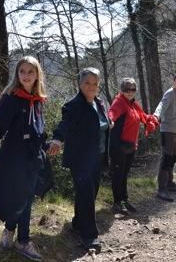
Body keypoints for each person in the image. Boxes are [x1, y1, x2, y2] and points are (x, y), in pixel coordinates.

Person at [0, 56, 56, 261]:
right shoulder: (11, 98)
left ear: (37, 74)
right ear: (17, 74)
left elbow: (37, 131)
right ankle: (22, 240)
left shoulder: (38, 101)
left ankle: (10, 232)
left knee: (26, 198)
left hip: (33, 158)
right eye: (22, 71)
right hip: (14, 158)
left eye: (31, 72)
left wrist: (46, 145)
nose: (26, 76)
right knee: (21, 198)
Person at [51, 68, 109, 251]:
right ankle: (89, 235)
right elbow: (65, 124)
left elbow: (102, 123)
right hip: (81, 159)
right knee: (86, 194)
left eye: (95, 83)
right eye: (87, 83)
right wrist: (58, 138)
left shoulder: (98, 103)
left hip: (97, 156)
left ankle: (78, 222)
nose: (91, 87)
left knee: (90, 193)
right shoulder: (73, 105)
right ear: (80, 84)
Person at [108, 78, 158, 215]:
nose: (130, 92)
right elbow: (112, 113)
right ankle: (117, 203)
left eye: (133, 89)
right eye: (126, 89)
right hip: (119, 146)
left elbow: (143, 116)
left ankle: (124, 199)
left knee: (124, 174)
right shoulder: (119, 102)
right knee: (118, 174)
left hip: (130, 145)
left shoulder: (133, 104)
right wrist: (110, 120)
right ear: (121, 90)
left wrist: (152, 120)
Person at [153, 73, 176, 202]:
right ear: (174, 81)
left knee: (172, 158)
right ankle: (161, 189)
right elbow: (161, 106)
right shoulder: (170, 93)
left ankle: (170, 183)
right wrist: (156, 116)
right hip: (167, 130)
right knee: (166, 158)